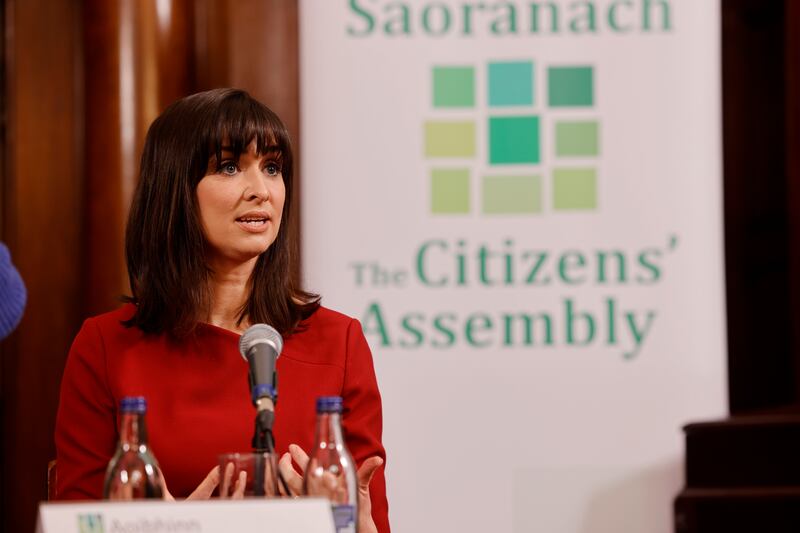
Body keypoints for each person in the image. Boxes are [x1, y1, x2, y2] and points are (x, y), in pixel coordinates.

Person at [54, 88, 389, 532]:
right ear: (174, 188)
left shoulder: (339, 341)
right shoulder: (104, 345)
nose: (261, 191)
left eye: (272, 168)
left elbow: (370, 518)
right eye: (230, 167)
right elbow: (78, 524)